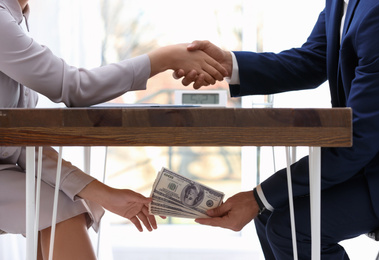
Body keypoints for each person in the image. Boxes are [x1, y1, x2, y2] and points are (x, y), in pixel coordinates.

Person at [0, 0, 227, 259]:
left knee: (61, 208)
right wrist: (164, 59)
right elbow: (75, 87)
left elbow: (20, 144)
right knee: (60, 212)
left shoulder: (16, 20)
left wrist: (106, 194)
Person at [174, 0, 379, 259]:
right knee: (269, 214)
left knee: (290, 228)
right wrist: (228, 64)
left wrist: (257, 196)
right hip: (370, 164)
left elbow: (359, 137)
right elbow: (314, 58)